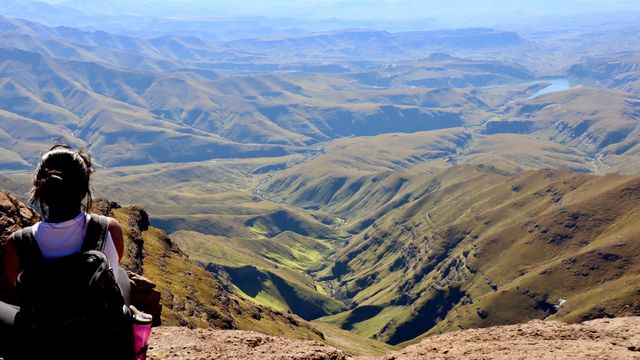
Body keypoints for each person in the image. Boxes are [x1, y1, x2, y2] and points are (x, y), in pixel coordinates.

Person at [0, 144, 131, 358]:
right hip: (99, 342)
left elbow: (20, 294)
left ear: (40, 187)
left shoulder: (17, 244)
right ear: (83, 190)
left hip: (44, 341)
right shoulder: (109, 229)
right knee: (122, 277)